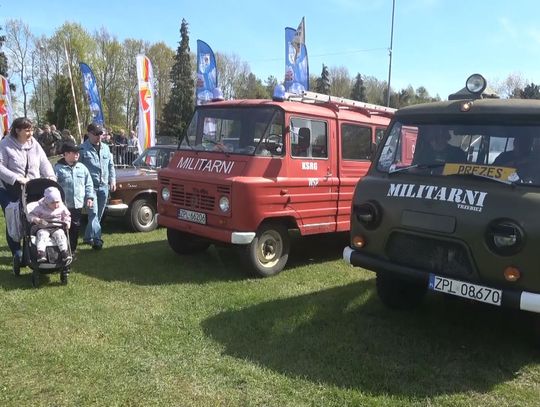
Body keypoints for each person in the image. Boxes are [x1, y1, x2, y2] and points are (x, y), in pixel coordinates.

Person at [0, 117, 56, 267]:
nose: (30, 133)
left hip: (32, 188)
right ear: (17, 130)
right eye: (27, 130)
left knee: (32, 217)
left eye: (31, 129)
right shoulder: (5, 144)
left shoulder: (34, 144)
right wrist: (16, 178)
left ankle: (34, 248)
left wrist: (51, 177)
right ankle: (16, 252)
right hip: (10, 189)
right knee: (14, 218)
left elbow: (44, 162)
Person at [79, 123, 116, 250]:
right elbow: (78, 169)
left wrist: (113, 180)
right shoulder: (82, 149)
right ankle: (97, 239)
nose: (99, 137)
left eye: (100, 134)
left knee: (98, 215)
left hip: (103, 186)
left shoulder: (106, 148)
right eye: (96, 134)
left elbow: (111, 165)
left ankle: (88, 237)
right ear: (89, 133)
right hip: (90, 188)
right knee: (93, 213)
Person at [54, 142, 95, 255]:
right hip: (62, 206)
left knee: (75, 227)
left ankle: (72, 250)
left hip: (77, 205)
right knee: (62, 229)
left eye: (78, 153)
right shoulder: (57, 169)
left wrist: (89, 197)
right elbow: (52, 186)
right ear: (66, 154)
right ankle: (61, 250)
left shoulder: (82, 168)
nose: (77, 155)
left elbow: (88, 184)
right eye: (74, 152)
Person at [27, 186, 71, 262]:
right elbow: (31, 215)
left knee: (61, 235)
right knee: (42, 235)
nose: (56, 205)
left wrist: (67, 222)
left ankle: (64, 252)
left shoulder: (61, 207)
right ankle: (41, 253)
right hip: (44, 226)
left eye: (57, 202)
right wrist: (35, 219)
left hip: (57, 227)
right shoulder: (40, 207)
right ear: (47, 201)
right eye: (53, 203)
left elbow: (67, 216)